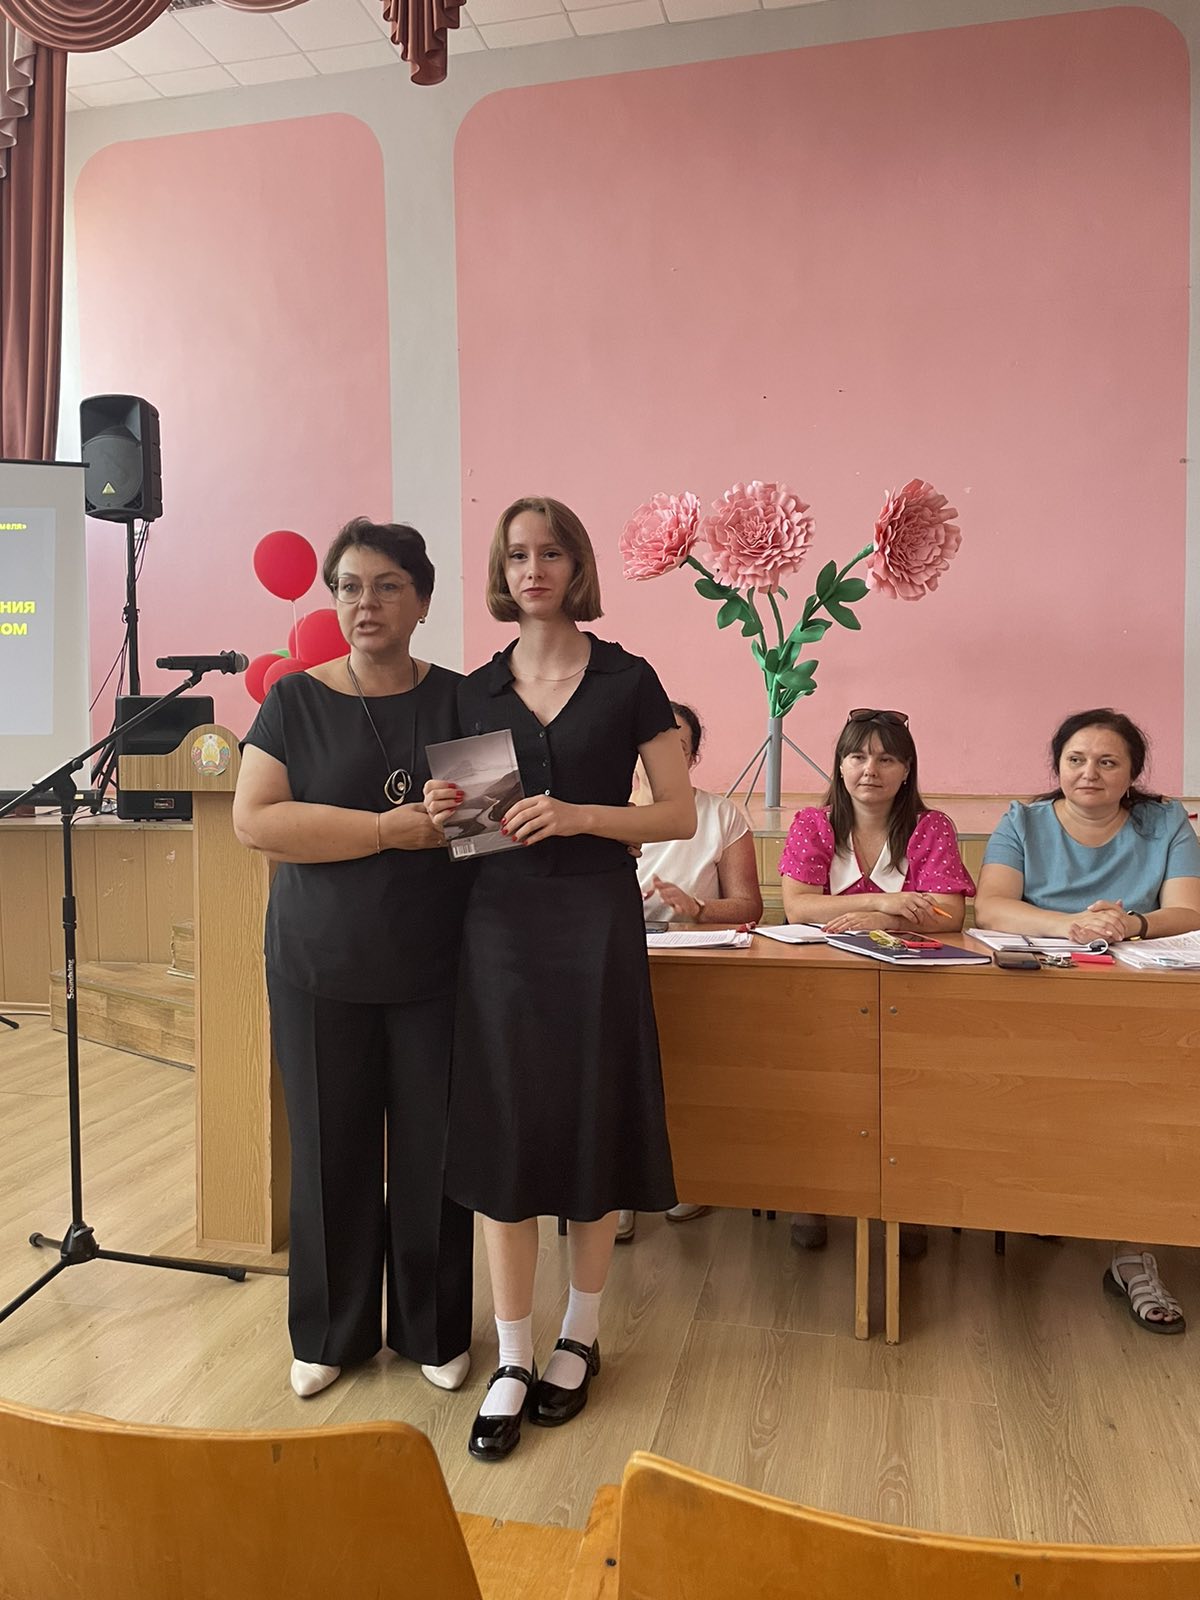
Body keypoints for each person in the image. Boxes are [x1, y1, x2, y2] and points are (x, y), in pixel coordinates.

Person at [425, 495, 695, 1462]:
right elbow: (470, 833)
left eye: (549, 553)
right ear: (501, 573)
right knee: (504, 1125)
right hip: (497, 927)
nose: (532, 570)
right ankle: (512, 1352)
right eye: (516, 555)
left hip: (595, 922)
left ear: (577, 567)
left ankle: (579, 1334)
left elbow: (675, 815)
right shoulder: (473, 690)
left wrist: (580, 815)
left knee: (591, 1119)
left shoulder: (630, 679)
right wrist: (445, 809)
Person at [233, 518, 474, 1399]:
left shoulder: (462, 702)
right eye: (347, 588)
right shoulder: (294, 702)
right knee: (329, 1151)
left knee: (433, 1154)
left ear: (422, 600)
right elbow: (256, 821)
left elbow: (488, 831)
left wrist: (456, 816)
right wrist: (384, 830)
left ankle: (432, 1329)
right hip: (318, 967)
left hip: (438, 967)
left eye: (385, 586)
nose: (364, 604)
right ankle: (330, 1332)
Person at [974, 707, 1200, 1335]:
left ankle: (1133, 1253)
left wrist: (1130, 923)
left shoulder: (1166, 822)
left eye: (1107, 762)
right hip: (1038, 994)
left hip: (1139, 1001)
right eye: (1075, 759)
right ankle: (1043, 1203)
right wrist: (1072, 924)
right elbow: (991, 906)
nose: (1089, 773)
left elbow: (1187, 912)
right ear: (1058, 765)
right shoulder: (1022, 821)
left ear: (1132, 773)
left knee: (1144, 1108)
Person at [778, 708, 976, 1254]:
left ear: (907, 770)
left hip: (913, 988)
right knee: (824, 1087)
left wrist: (876, 921)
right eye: (858, 756)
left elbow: (949, 914)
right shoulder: (813, 824)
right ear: (840, 766)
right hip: (826, 986)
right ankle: (815, 1194)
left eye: (887, 759)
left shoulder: (931, 827)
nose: (871, 769)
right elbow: (798, 908)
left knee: (911, 1089)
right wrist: (886, 903)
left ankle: (907, 1202)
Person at [618, 701, 763, 1241]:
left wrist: (697, 908)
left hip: (696, 963)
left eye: (677, 747)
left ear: (693, 757)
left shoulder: (722, 816)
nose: (660, 757)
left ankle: (688, 1175)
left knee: (692, 1067)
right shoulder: (605, 812)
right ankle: (617, 1191)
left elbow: (748, 906)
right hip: (621, 959)